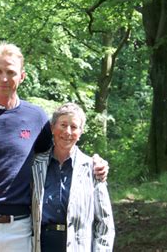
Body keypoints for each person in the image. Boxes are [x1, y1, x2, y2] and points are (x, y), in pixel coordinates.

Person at [0, 42, 109, 252]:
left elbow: (56, 155)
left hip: (21, 228)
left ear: (22, 76)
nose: (4, 78)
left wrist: (93, 163)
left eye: (11, 72)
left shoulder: (36, 117)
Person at [31, 103, 115, 252]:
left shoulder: (93, 169)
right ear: (52, 128)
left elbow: (104, 223)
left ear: (81, 132)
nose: (68, 132)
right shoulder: (35, 164)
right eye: (63, 125)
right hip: (41, 245)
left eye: (74, 127)